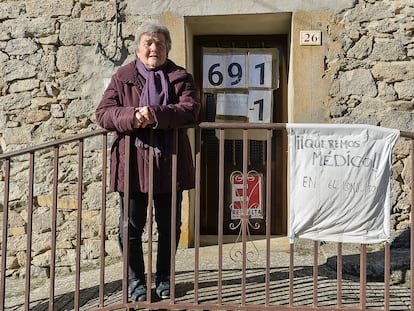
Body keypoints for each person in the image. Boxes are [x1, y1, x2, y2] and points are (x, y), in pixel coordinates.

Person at [95, 22, 200, 302]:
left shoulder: (180, 77)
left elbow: (190, 110)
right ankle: (136, 282)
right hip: (131, 164)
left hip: (170, 163)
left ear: (167, 48)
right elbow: (104, 114)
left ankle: (164, 278)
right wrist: (132, 117)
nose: (154, 48)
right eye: (148, 43)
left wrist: (155, 113)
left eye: (160, 44)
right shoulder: (123, 76)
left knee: (169, 227)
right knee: (130, 227)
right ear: (139, 48)